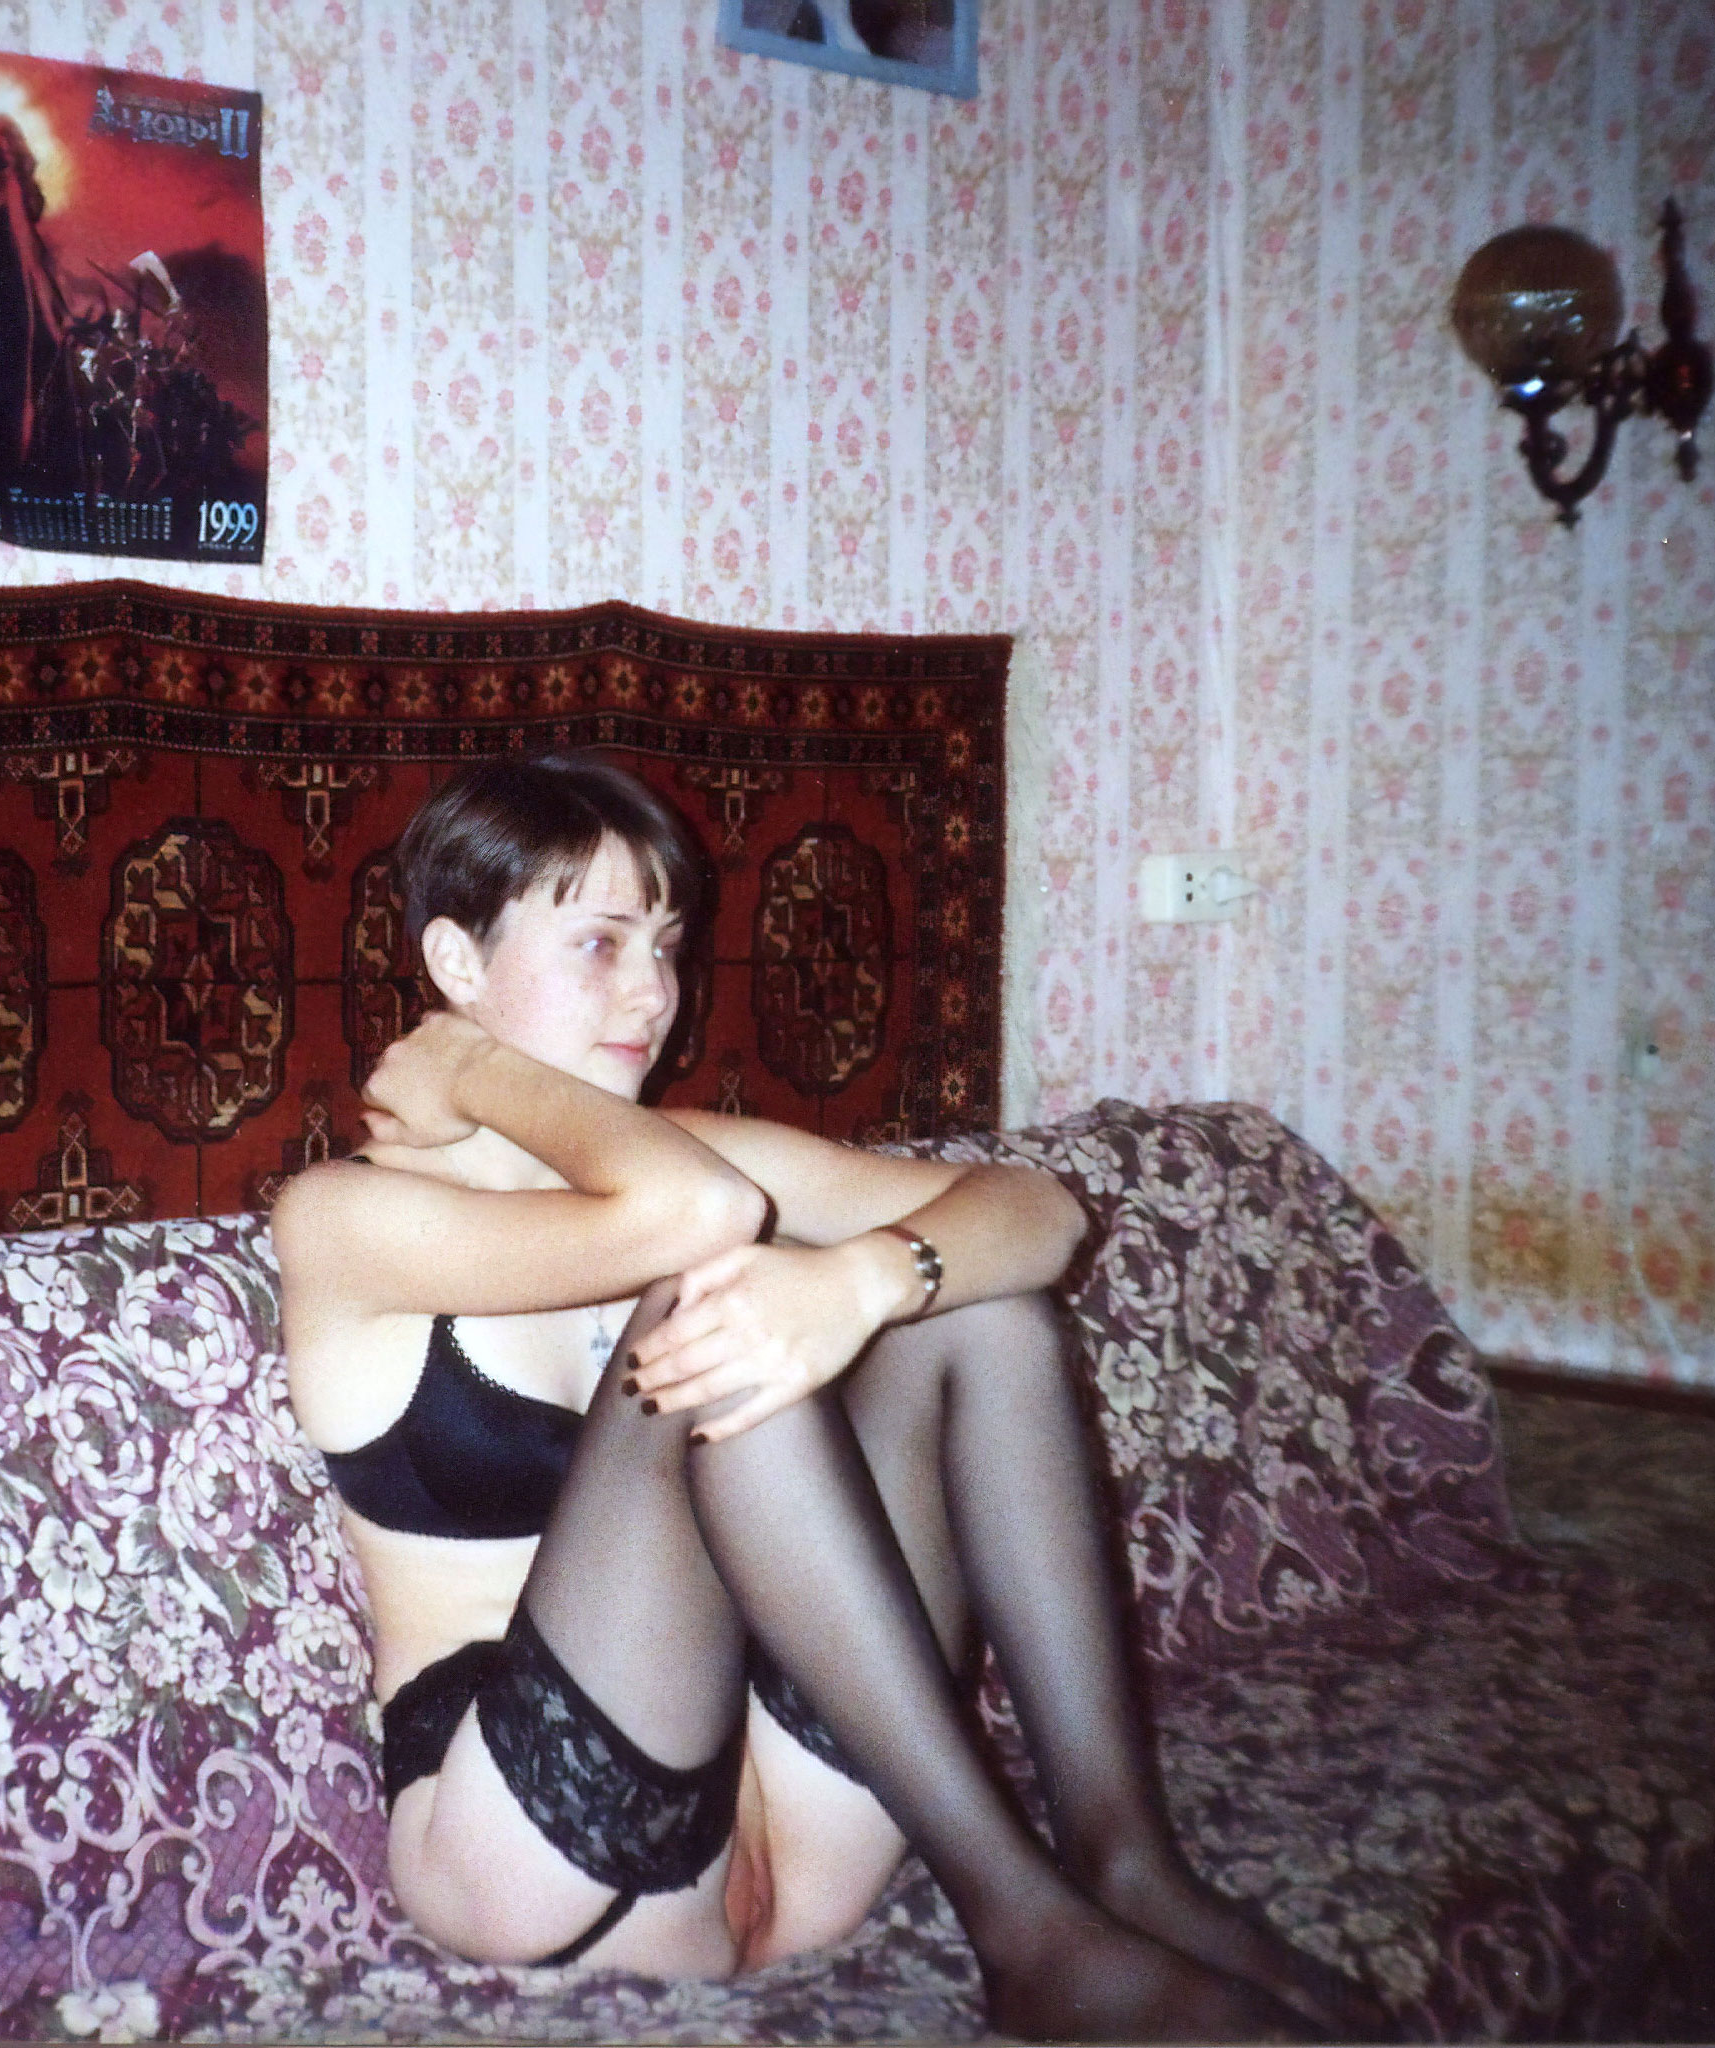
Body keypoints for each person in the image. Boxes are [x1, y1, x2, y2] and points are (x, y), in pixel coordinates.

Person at [273, 753, 1361, 2041]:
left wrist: (865, 1280)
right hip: (533, 1847)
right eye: (600, 943)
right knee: (716, 1306)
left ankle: (1127, 1865)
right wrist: (467, 1069)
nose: (653, 992)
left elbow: (1042, 1216)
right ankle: (1029, 1933)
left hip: (788, 1837)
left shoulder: (696, 1155)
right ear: (456, 962)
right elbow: (696, 1215)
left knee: (977, 1311)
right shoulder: (345, 1217)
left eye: (666, 946)